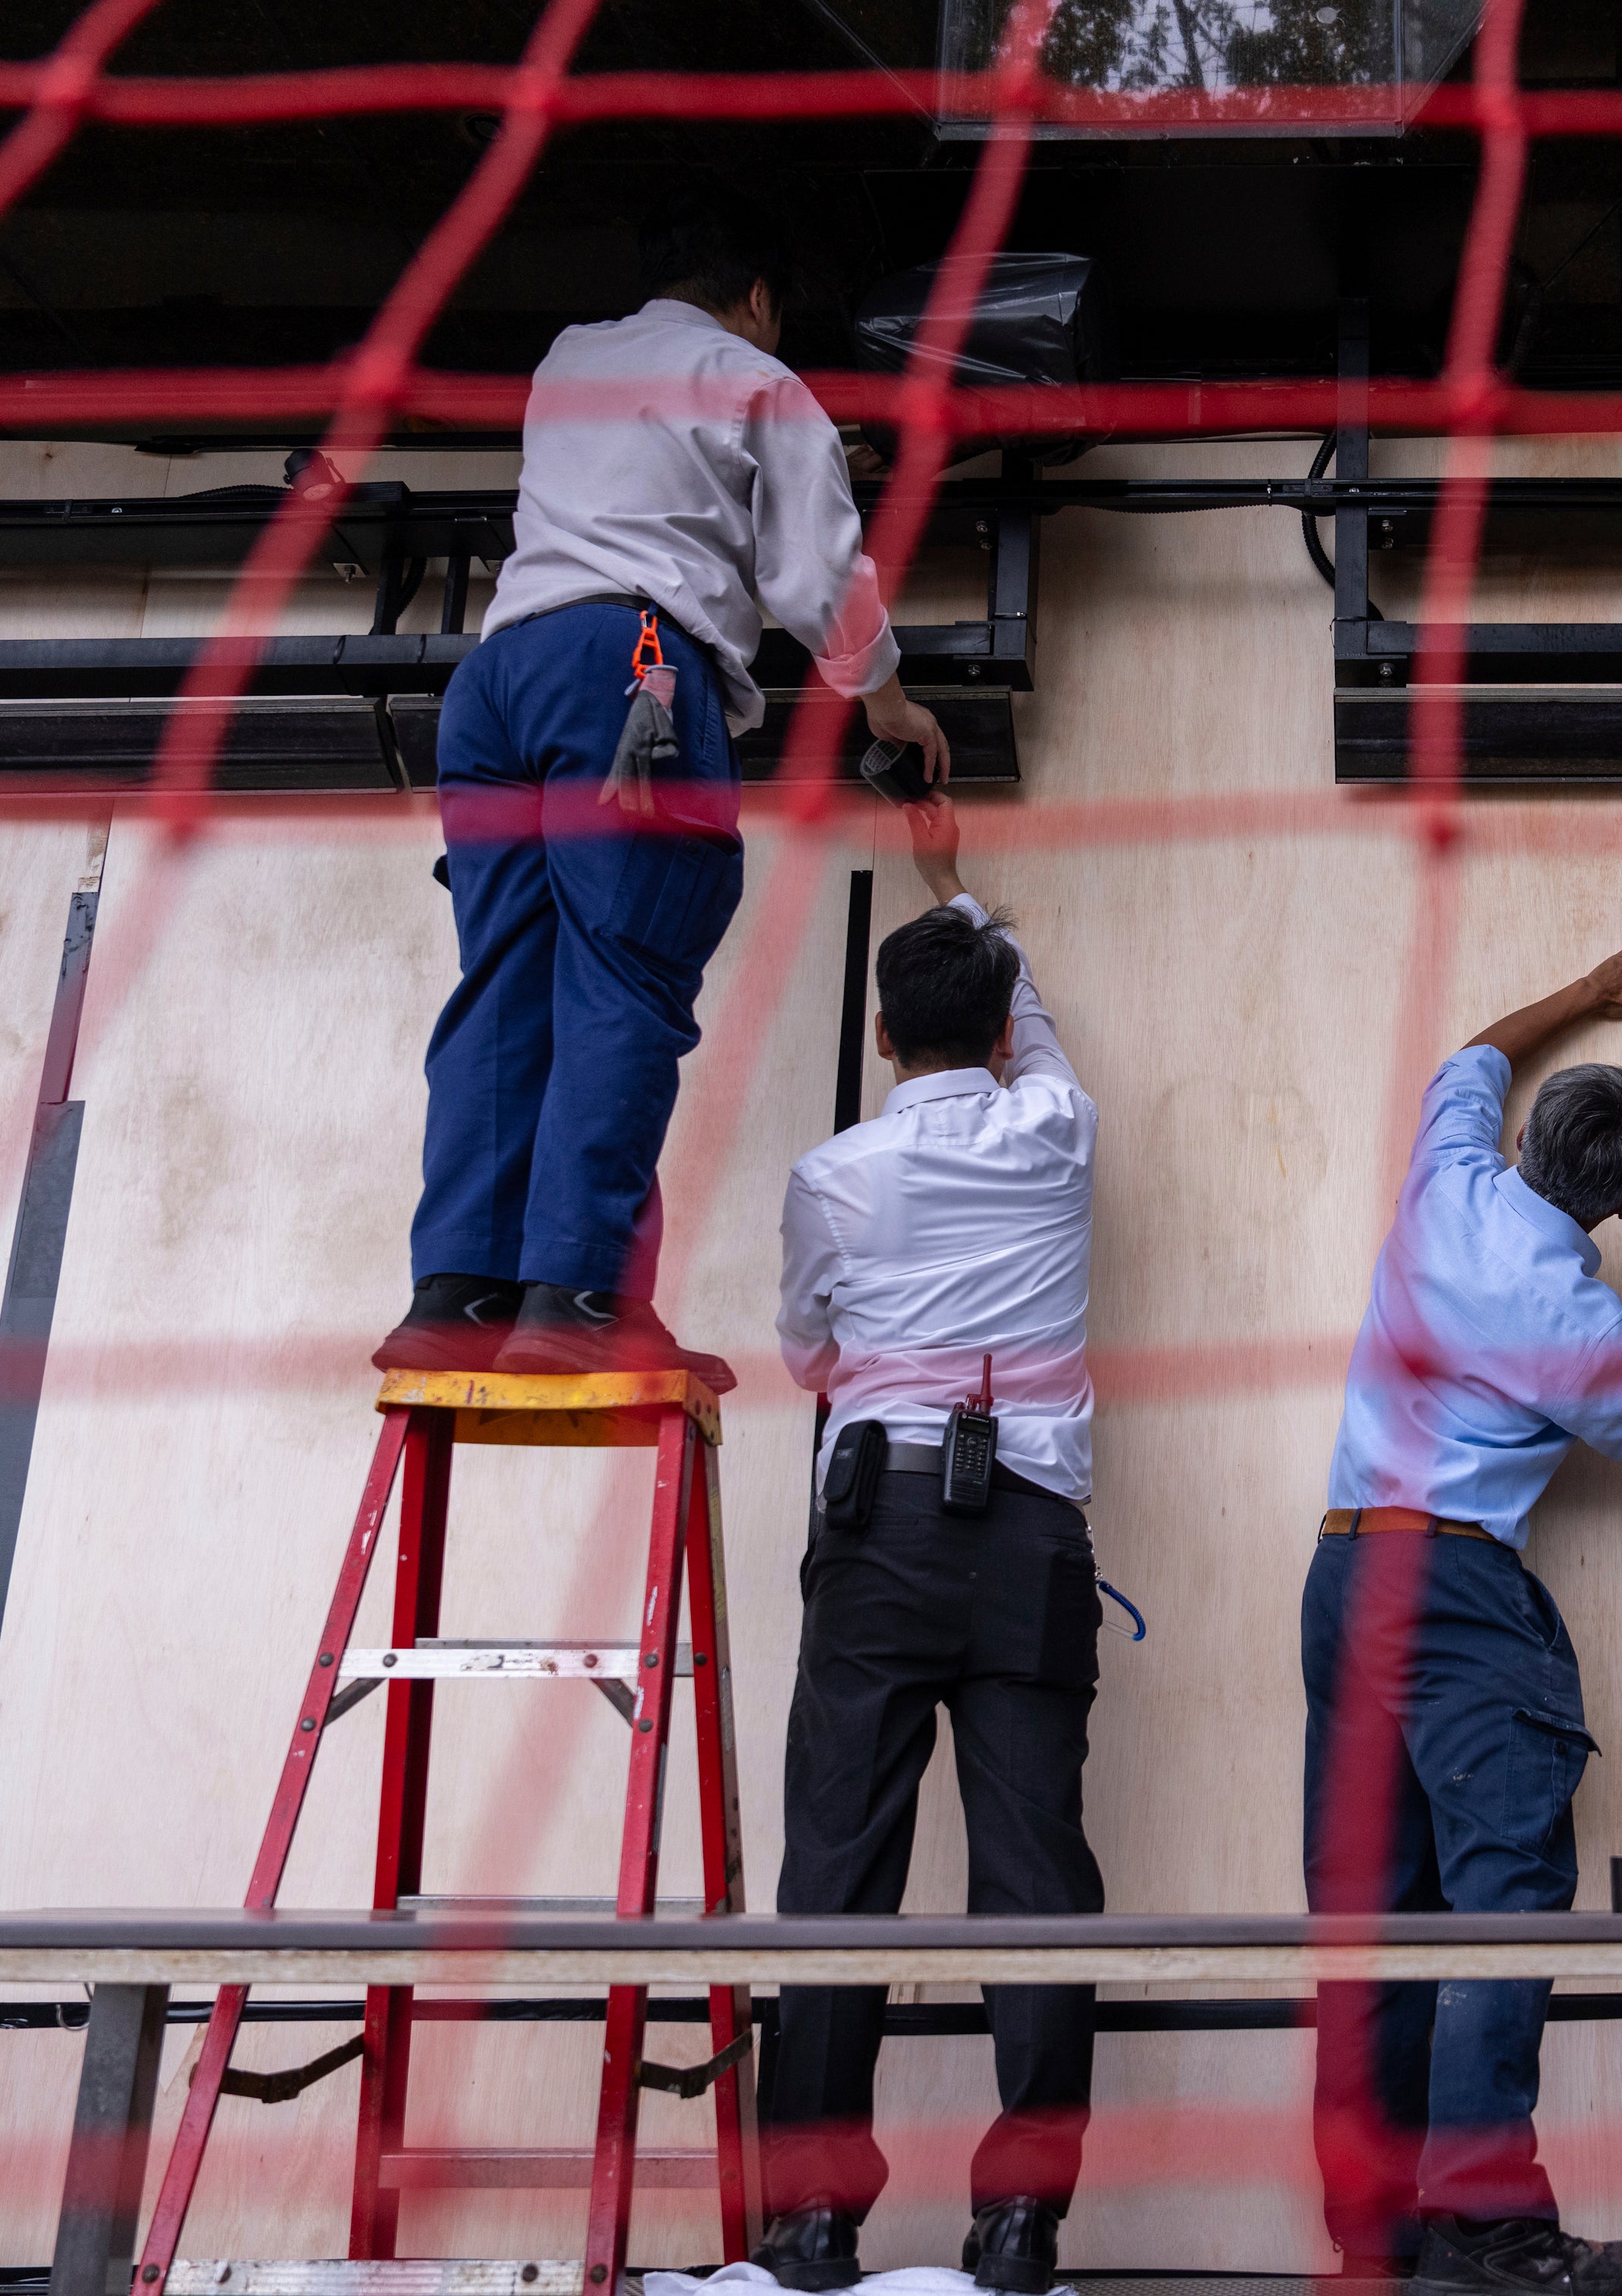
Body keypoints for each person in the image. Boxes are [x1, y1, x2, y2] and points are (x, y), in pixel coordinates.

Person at [374, 179, 951, 1383]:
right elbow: (817, 582)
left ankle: (457, 1290)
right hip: (626, 677)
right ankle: (582, 1295)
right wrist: (893, 706)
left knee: (507, 982)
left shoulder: (569, 360)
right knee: (623, 977)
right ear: (756, 299)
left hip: (496, 684)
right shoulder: (761, 383)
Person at [1307, 935, 1622, 2296]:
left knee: (1369, 1919)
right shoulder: (1573, 1319)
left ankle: (1378, 2245)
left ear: (1527, 1141)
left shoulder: (1447, 1182)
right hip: (1455, 1593)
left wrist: (1593, 994)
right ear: (1619, 1214)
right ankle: (1492, 2230)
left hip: (1339, 1582)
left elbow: (1471, 1063)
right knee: (1505, 1901)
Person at [756, 791, 1099, 2296]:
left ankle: (813, 2220)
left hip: (878, 1526)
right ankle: (1022, 2222)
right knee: (1037, 1877)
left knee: (839, 1868)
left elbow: (805, 1355)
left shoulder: (833, 1179)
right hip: (1030, 1535)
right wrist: (977, 905)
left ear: (885, 1039)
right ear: (997, 1033)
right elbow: (1027, 1017)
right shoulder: (1058, 1131)